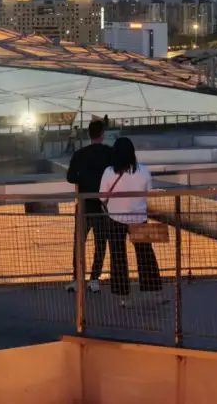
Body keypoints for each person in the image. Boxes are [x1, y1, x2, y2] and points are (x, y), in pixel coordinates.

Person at [100, 137, 162, 305]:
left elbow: (102, 196)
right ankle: (154, 293)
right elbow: (149, 192)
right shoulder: (144, 171)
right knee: (145, 255)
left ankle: (123, 297)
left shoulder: (109, 172)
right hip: (139, 218)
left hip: (115, 218)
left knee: (118, 256)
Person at [65, 120, 112, 293]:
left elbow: (70, 177)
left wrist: (83, 178)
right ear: (102, 134)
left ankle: (77, 278)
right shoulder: (109, 153)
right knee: (100, 243)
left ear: (88, 134)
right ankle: (94, 279)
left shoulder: (79, 154)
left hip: (84, 205)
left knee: (79, 243)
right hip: (102, 206)